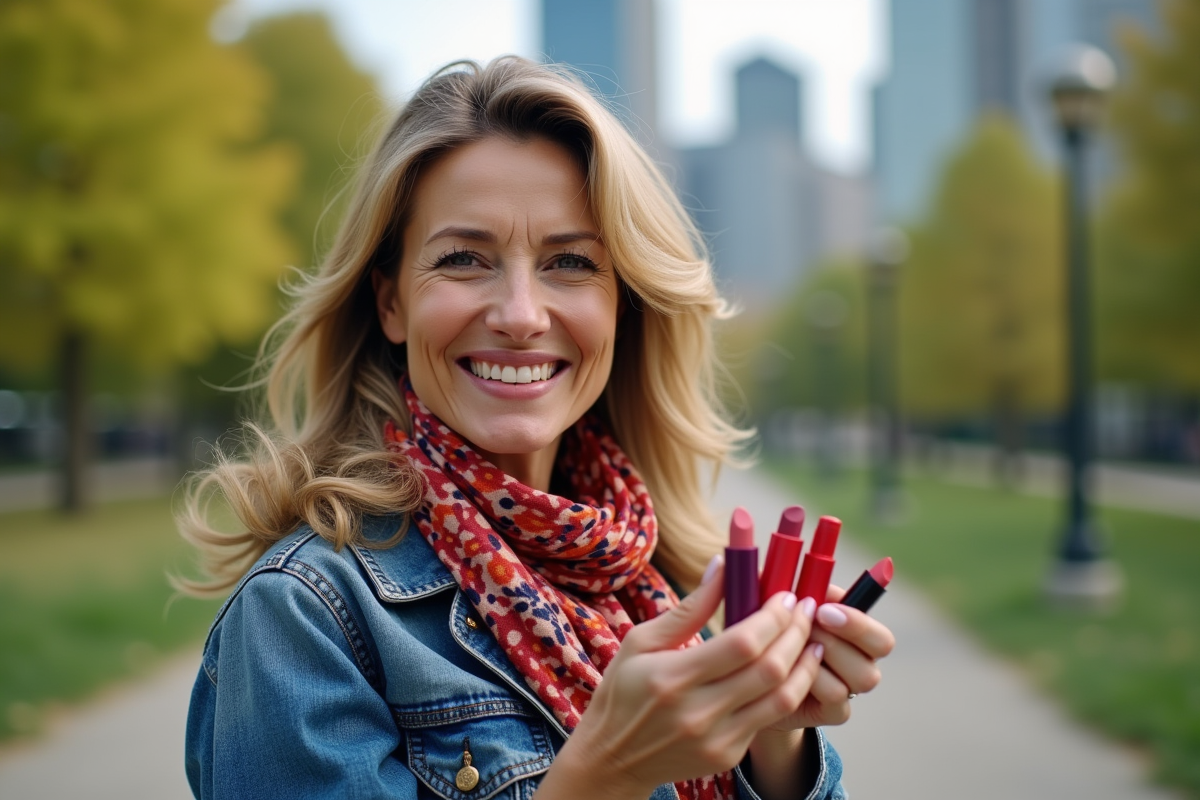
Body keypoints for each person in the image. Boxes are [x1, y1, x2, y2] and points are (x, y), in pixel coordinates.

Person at [180, 56, 894, 800]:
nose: (520, 314)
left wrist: (771, 731)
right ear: (391, 303)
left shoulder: (666, 579)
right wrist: (607, 771)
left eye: (570, 262)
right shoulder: (303, 614)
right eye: (463, 259)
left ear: (624, 305)